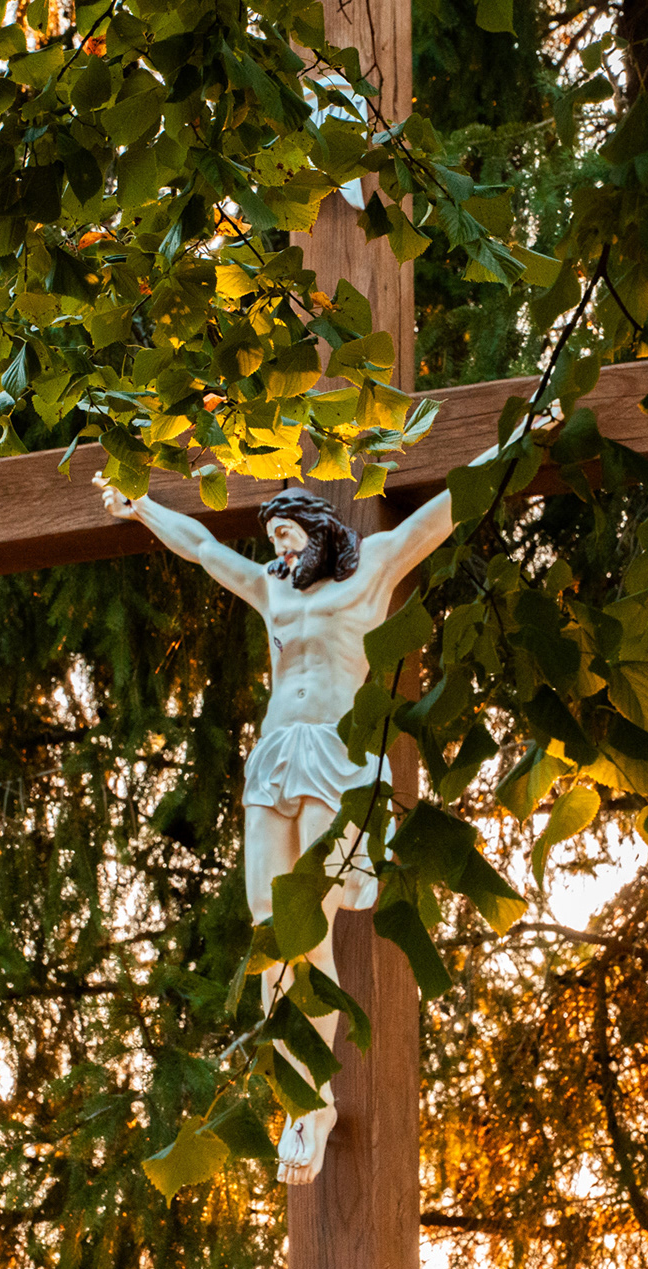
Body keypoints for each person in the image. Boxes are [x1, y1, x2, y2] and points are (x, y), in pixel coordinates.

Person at [94, 457, 493, 1184]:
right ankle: (298, 1095)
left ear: (319, 529)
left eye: (287, 535)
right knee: (268, 927)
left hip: (335, 755)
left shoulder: (372, 567)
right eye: (272, 538)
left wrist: (518, 439)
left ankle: (313, 1100)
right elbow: (203, 549)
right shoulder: (272, 587)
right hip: (275, 754)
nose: (278, 550)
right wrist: (142, 506)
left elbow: (443, 515)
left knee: (308, 923)